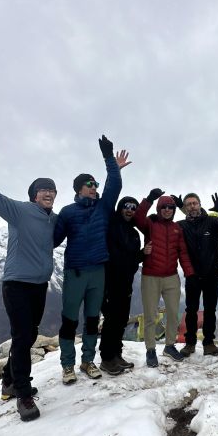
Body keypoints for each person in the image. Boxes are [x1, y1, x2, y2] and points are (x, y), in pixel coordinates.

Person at [0, 134, 55, 422]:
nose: (49, 193)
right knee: (22, 336)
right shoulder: (19, 211)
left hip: (40, 285)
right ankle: (23, 394)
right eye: (43, 190)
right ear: (33, 194)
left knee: (29, 335)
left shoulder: (51, 221)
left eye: (52, 191)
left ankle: (8, 378)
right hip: (17, 284)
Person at [54, 136, 130, 384]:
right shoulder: (67, 212)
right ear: (78, 188)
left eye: (95, 184)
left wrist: (109, 159)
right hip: (75, 271)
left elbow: (114, 186)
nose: (94, 188)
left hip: (98, 271)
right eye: (89, 184)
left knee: (91, 319)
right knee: (69, 320)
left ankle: (87, 360)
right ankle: (67, 365)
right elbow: (53, 240)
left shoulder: (103, 207)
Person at [134, 190, 195, 367]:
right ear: (159, 208)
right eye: (164, 207)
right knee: (151, 315)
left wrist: (189, 272)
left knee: (173, 314)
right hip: (150, 276)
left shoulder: (177, 228)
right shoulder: (150, 224)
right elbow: (138, 218)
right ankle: (150, 349)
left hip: (171, 277)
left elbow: (182, 252)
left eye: (171, 207)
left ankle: (169, 346)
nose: (168, 210)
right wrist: (149, 199)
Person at [175, 192, 218, 357]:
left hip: (211, 274)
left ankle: (209, 343)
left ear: (200, 204)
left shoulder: (212, 221)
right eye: (188, 204)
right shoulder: (180, 225)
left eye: (195, 203)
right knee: (191, 310)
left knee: (210, 310)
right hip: (192, 275)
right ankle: (189, 343)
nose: (192, 206)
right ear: (185, 208)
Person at [99, 196, 150, 375]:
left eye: (133, 208)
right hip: (110, 281)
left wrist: (142, 254)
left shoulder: (134, 234)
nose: (130, 210)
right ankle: (106, 358)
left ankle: (116, 354)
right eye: (126, 207)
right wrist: (140, 254)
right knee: (111, 320)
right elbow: (116, 257)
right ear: (120, 208)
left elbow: (132, 261)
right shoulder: (111, 228)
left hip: (126, 282)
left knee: (121, 320)